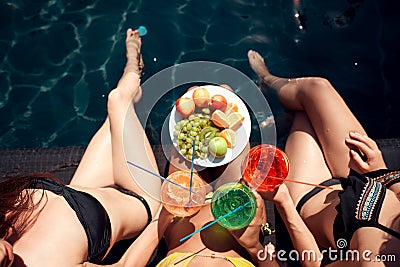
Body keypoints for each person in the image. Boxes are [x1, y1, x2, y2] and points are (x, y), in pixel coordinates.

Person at [0, 28, 168, 267]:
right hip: (139, 199)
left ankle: (133, 82)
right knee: (118, 100)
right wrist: (166, 214)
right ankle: (133, 61)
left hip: (81, 192)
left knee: (117, 112)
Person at [247, 50, 400, 266]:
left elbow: (316, 264)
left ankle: (284, 114)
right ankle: (267, 79)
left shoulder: (373, 261)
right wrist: (381, 171)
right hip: (364, 177)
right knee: (317, 88)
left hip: (313, 192)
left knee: (302, 115)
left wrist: (285, 203)